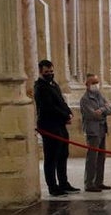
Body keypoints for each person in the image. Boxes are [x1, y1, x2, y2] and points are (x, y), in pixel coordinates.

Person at [33, 59, 79, 197]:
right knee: (51, 157)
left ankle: (64, 183)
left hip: (59, 124)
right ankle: (53, 186)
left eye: (51, 71)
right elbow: (48, 107)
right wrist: (65, 115)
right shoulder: (40, 87)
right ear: (41, 72)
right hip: (49, 125)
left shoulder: (54, 85)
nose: (50, 74)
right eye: (47, 72)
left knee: (63, 154)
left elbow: (61, 101)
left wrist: (68, 112)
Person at [79, 73, 111, 192]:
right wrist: (103, 111)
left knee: (101, 157)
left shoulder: (99, 95)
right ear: (87, 84)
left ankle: (99, 181)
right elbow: (93, 114)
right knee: (92, 158)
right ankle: (89, 183)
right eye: (93, 82)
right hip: (93, 130)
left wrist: (103, 110)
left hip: (102, 128)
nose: (95, 85)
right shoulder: (85, 99)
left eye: (96, 82)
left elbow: (110, 108)